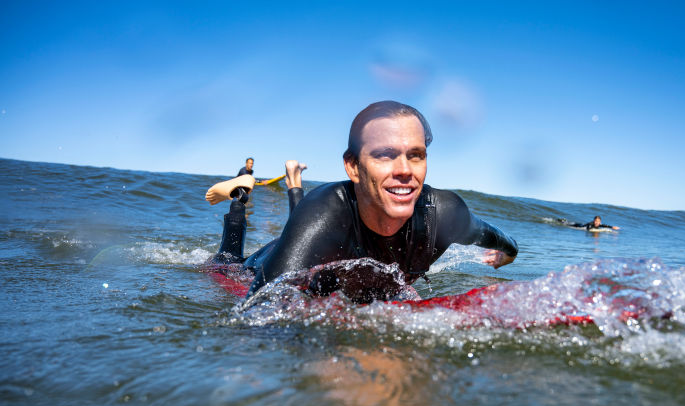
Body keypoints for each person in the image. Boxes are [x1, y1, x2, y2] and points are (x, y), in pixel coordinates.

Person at [206, 100, 518, 300]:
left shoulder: (445, 214)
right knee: (224, 262)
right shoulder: (327, 210)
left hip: (314, 246)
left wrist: (509, 255)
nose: (404, 171)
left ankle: (290, 183)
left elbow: (502, 239)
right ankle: (239, 198)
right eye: (385, 155)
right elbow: (258, 307)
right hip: (253, 268)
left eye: (416, 155)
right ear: (353, 166)